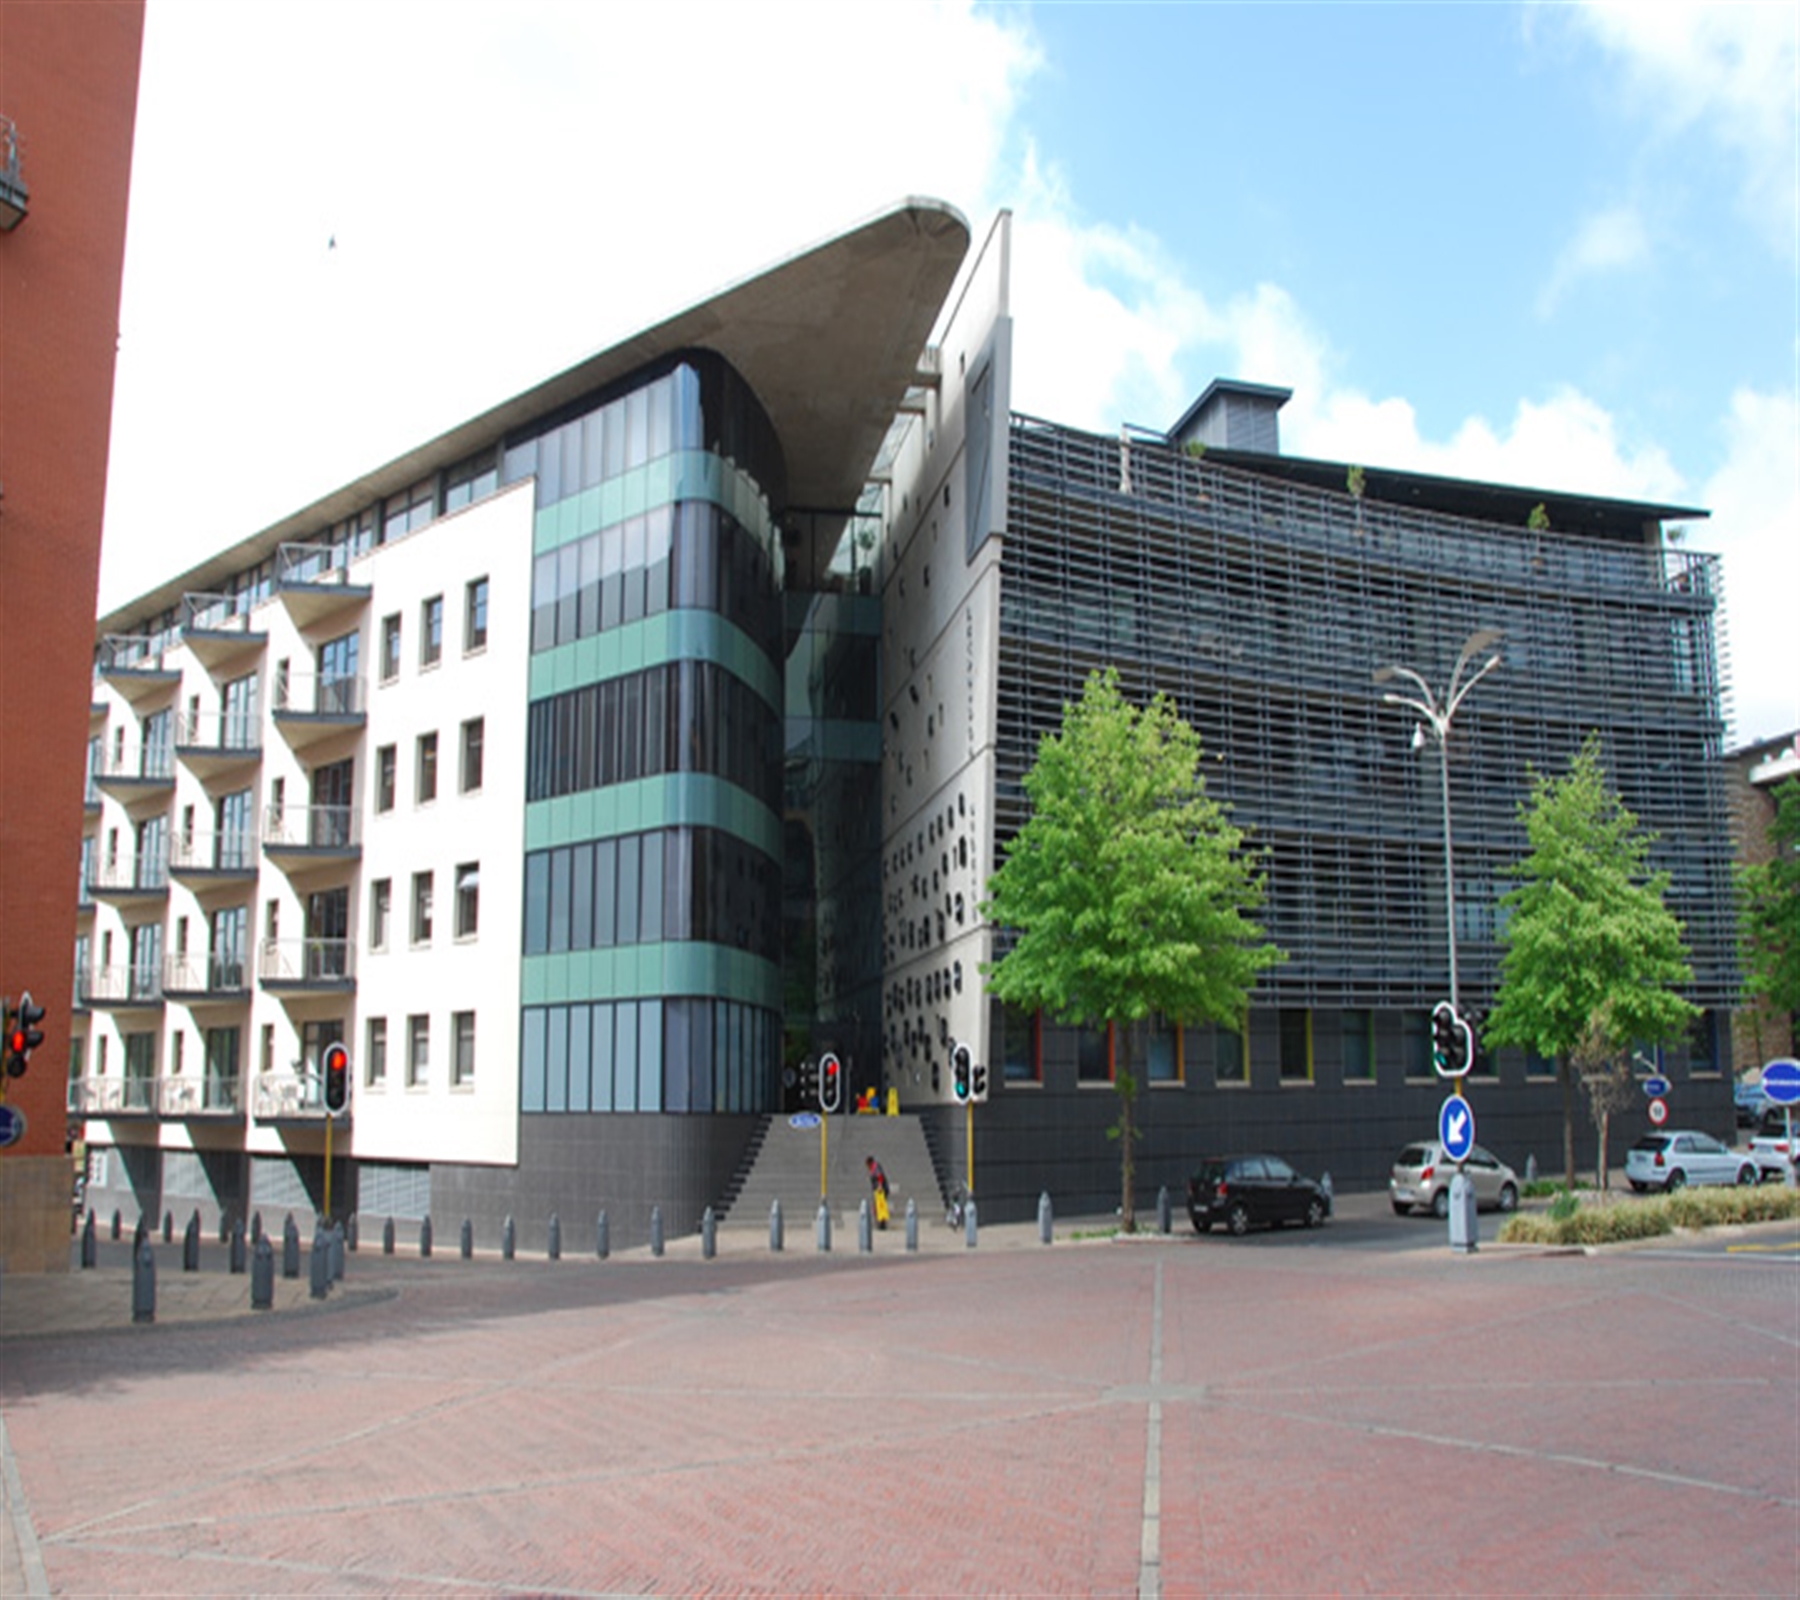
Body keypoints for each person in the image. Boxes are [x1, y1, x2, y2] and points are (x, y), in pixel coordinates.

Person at [865, 1155, 890, 1229]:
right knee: (879, 1206)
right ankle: (881, 1223)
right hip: (879, 1190)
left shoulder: (875, 1167)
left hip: (881, 1190)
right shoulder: (874, 1167)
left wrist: (880, 1186)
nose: (867, 1167)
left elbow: (880, 1176)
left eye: (867, 1165)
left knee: (880, 1207)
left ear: (870, 1163)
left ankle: (882, 1224)